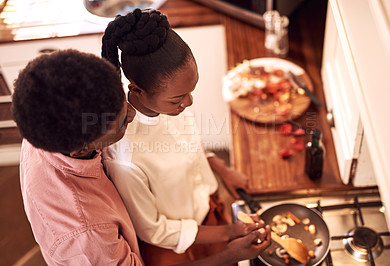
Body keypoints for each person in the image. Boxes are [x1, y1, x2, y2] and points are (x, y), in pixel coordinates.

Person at [12, 49, 271, 266]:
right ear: (84, 148)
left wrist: (217, 164)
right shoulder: (89, 237)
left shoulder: (53, 111)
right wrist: (229, 255)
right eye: (123, 122)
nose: (133, 115)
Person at [101, 8, 263, 265]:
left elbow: (187, 144)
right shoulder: (126, 158)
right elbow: (153, 229)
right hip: (179, 245)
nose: (189, 102)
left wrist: (220, 166)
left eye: (192, 89)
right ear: (137, 90)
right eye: (178, 98)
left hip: (207, 211)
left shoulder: (171, 105)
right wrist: (229, 232)